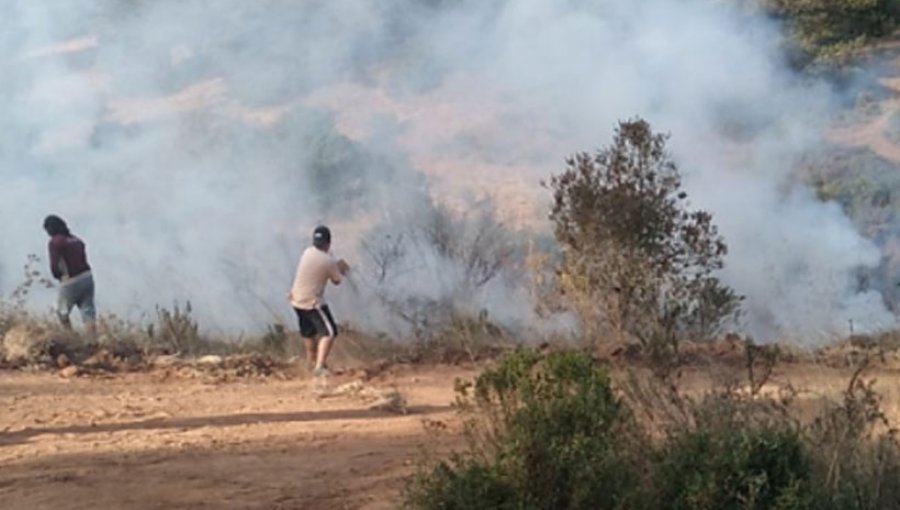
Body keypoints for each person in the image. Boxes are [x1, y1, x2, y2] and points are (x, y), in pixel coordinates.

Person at [288, 225, 349, 376]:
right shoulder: (328, 261)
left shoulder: (307, 252)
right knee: (329, 332)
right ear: (328, 243)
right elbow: (337, 281)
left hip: (296, 299)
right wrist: (339, 267)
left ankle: (310, 362)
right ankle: (320, 367)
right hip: (312, 302)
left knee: (308, 332)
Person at [43, 215, 96, 337]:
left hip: (71, 279)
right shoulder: (77, 240)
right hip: (87, 277)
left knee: (62, 311)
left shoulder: (55, 242)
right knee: (88, 310)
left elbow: (54, 265)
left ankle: (70, 337)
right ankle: (92, 341)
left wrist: (59, 277)